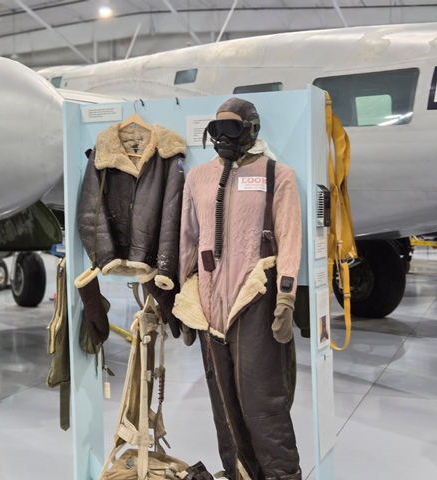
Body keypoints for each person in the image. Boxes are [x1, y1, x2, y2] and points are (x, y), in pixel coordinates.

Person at [173, 98, 302, 480]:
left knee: (264, 406)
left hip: (255, 300)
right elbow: (187, 240)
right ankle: (238, 474)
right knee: (223, 406)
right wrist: (184, 303)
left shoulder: (277, 175)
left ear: (251, 129)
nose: (222, 138)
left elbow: (289, 238)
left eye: (231, 129)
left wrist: (286, 297)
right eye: (216, 131)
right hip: (209, 305)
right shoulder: (198, 177)